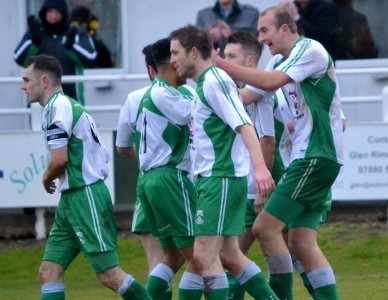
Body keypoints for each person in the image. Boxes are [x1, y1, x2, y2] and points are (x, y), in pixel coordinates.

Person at [215, 6, 344, 299]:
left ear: (284, 30)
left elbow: (270, 83)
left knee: (264, 228)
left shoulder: (310, 50)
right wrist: (208, 87)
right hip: (310, 157)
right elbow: (248, 95)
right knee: (300, 242)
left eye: (265, 31)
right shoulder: (278, 60)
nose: (261, 39)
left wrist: (221, 64)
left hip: (315, 156)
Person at [21, 54, 150, 300]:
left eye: (27, 80)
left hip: (85, 195)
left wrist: (46, 178)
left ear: (44, 80)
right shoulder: (63, 105)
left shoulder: (57, 107)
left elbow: (60, 159)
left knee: (110, 275)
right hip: (72, 198)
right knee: (49, 272)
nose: (22, 86)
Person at [170, 25, 278, 300]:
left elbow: (244, 124)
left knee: (204, 256)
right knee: (230, 255)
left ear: (194, 52)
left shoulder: (214, 81)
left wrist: (260, 167)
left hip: (221, 178)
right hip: (215, 180)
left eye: (175, 52)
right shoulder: (207, 84)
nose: (172, 60)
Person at [136, 38, 203, 300]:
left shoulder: (161, 92)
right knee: (199, 257)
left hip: (152, 180)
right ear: (175, 62)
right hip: (169, 178)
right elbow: (202, 114)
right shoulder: (163, 92)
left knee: (172, 256)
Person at [223, 31, 275, 300]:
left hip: (257, 189)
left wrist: (261, 189)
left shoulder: (258, 89)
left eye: (231, 57)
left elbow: (268, 141)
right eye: (223, 56)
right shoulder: (247, 88)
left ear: (251, 61)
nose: (224, 61)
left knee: (232, 259)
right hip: (247, 186)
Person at [116, 44, 167, 275]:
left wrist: (148, 155)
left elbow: (122, 147)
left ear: (150, 70)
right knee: (201, 258)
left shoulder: (135, 98)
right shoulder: (192, 95)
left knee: (156, 260)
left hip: (149, 182)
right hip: (188, 182)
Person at [14, 0, 97, 105]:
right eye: (50, 11)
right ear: (44, 13)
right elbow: (18, 58)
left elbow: (91, 58)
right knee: (40, 121)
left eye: (57, 12)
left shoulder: (75, 32)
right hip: (38, 100)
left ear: (64, 13)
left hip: (71, 99)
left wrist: (72, 46)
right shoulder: (36, 32)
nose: (54, 16)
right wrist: (35, 43)